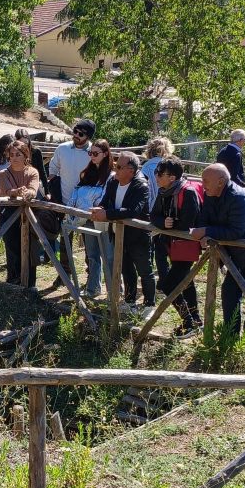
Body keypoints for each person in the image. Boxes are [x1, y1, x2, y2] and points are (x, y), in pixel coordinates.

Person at [190, 163, 245, 344]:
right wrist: (204, 229)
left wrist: (206, 231)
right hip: (237, 254)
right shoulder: (211, 194)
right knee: (229, 292)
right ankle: (230, 335)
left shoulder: (239, 197)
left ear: (221, 181)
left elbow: (235, 231)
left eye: (206, 180)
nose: (202, 184)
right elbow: (204, 219)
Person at [91, 150, 155, 316]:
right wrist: (101, 208)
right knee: (126, 269)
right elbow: (106, 201)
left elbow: (134, 210)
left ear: (131, 171)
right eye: (115, 165)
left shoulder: (141, 185)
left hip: (138, 236)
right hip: (119, 234)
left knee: (144, 270)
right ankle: (130, 301)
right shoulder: (113, 181)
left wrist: (108, 214)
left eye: (119, 166)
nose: (115, 168)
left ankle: (149, 304)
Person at [150, 156, 203, 337]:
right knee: (186, 282)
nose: (156, 177)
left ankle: (188, 322)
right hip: (171, 245)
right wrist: (164, 223)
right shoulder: (163, 191)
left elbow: (189, 222)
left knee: (168, 285)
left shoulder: (187, 192)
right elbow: (153, 215)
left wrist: (170, 224)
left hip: (186, 246)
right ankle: (196, 319)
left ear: (172, 177)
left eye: (159, 174)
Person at [48, 118, 96, 273]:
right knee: (65, 240)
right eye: (75, 131)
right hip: (65, 201)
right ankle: (64, 274)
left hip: (87, 204)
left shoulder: (93, 153)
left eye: (80, 133)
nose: (76, 135)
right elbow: (53, 171)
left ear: (88, 136)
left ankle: (91, 275)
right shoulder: (62, 149)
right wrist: (56, 195)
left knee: (90, 243)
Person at [68, 139, 114, 298]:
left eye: (95, 153)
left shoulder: (111, 175)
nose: (92, 156)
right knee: (92, 255)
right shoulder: (87, 172)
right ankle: (93, 288)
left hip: (103, 219)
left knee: (109, 256)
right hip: (87, 216)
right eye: (90, 153)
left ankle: (114, 291)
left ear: (106, 154)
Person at [0, 139, 41, 288]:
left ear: (25, 156)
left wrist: (28, 192)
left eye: (18, 154)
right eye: (12, 154)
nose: (14, 157)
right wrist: (16, 192)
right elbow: (7, 191)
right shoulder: (3, 173)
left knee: (29, 247)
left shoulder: (33, 171)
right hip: (9, 213)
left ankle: (29, 282)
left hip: (28, 213)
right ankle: (13, 280)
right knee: (12, 245)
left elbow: (33, 189)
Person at [140, 135, 176, 285]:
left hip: (148, 209)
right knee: (162, 248)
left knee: (149, 246)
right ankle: (164, 279)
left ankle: (149, 278)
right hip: (164, 209)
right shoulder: (168, 166)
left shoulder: (145, 167)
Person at [15, 127, 49, 194]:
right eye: (21, 143)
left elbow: (42, 171)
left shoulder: (36, 152)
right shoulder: (14, 153)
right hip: (18, 185)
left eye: (25, 142)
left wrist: (47, 191)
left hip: (33, 184)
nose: (23, 145)